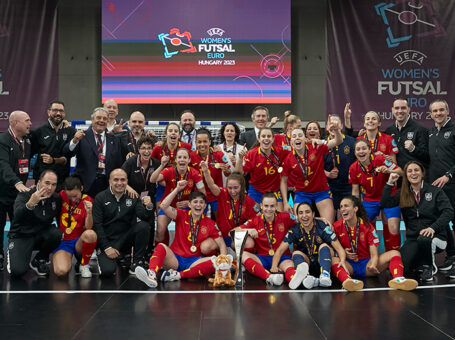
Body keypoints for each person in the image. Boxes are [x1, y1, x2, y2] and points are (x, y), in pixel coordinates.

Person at [134, 183, 227, 288]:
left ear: (205, 206)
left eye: (201, 202)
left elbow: (222, 245)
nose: (198, 205)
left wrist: (223, 266)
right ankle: (152, 275)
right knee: (161, 247)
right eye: (195, 202)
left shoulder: (210, 223)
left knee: (216, 261)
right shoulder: (181, 214)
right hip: (175, 259)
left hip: (194, 261)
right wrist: (177, 189)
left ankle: (177, 275)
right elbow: (163, 206)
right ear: (189, 205)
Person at [381, 162, 453, 281]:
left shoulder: (435, 191)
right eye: (409, 171)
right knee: (403, 267)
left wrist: (433, 228)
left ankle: (429, 267)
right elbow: (385, 203)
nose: (413, 173)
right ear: (406, 175)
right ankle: (420, 262)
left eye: (416, 170)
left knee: (424, 239)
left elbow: (449, 212)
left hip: (435, 236)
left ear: (422, 173)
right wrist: (389, 183)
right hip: (414, 238)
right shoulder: (403, 193)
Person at [331, 196, 418, 291]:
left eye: (346, 206)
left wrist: (373, 264)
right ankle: (347, 281)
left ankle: (398, 279)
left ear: (355, 208)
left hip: (367, 265)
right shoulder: (336, 226)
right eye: (341, 206)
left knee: (395, 253)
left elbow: (374, 253)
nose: (342, 209)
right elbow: (332, 248)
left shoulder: (368, 226)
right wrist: (343, 253)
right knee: (333, 259)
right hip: (348, 266)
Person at [271, 202, 350, 290]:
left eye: (307, 212)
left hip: (323, 262)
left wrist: (342, 260)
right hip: (307, 263)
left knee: (324, 246)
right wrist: (274, 266)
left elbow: (339, 248)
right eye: (301, 213)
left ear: (313, 214)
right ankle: (308, 278)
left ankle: (325, 275)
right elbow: (279, 251)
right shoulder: (294, 230)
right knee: (296, 253)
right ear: (297, 216)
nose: (304, 215)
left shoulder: (322, 226)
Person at [92, 169, 154, 276]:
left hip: (125, 240)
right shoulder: (100, 198)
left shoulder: (133, 197)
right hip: (108, 241)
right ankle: (103, 256)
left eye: (123, 180)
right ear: (110, 181)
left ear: (127, 181)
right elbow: (97, 225)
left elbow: (144, 217)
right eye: (116, 180)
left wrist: (149, 207)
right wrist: (107, 247)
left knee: (143, 226)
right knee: (108, 271)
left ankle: (137, 263)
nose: (119, 183)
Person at [281, 122, 342, 224]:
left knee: (328, 226)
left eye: (300, 135)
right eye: (294, 136)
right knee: (300, 224)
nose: (297, 138)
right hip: (302, 193)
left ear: (305, 139)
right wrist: (285, 202)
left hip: (321, 191)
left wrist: (336, 130)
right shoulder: (288, 159)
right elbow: (283, 181)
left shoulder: (316, 147)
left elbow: (338, 141)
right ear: (291, 142)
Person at [349, 139, 403, 251]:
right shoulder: (353, 168)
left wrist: (388, 170)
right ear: (355, 153)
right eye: (358, 149)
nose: (361, 151)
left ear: (370, 150)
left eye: (364, 148)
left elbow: (401, 171)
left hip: (389, 196)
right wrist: (355, 208)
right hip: (370, 200)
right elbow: (355, 190)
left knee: (393, 226)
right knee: (363, 227)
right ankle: (368, 256)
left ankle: (393, 256)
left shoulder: (380, 159)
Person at [7, 170, 61, 277]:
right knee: (18, 272)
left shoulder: (56, 198)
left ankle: (38, 260)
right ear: (39, 182)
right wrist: (30, 204)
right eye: (47, 183)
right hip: (21, 235)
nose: (50, 188)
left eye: (53, 184)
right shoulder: (25, 194)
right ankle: (13, 251)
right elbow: (17, 216)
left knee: (57, 234)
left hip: (40, 235)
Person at [237, 192, 296, 286]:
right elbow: (232, 232)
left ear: (276, 206)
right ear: (261, 206)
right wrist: (248, 230)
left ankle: (295, 280)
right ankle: (269, 277)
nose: (269, 209)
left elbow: (304, 221)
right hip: (262, 259)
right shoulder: (254, 221)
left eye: (272, 206)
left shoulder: (285, 217)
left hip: (282, 258)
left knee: (289, 265)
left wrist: (320, 220)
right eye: (266, 206)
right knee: (242, 255)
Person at [63, 107, 124, 198]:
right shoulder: (81, 136)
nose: (101, 121)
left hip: (107, 186)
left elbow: (118, 163)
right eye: (98, 118)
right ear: (92, 120)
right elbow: (67, 152)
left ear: (107, 121)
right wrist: (75, 140)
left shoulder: (114, 140)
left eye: (104, 119)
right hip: (85, 185)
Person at [150, 147, 205, 244]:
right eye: (179, 157)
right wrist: (162, 165)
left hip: (186, 207)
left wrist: (189, 202)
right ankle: (162, 252)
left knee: (187, 232)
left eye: (185, 157)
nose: (182, 160)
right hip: (168, 206)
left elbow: (203, 194)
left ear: (189, 160)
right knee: (160, 231)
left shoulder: (195, 173)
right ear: (175, 160)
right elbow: (152, 180)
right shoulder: (168, 171)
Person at [0, 110, 32, 270]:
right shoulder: (2, 140)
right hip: (2, 191)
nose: (30, 123)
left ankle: (16, 256)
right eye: (27, 120)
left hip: (18, 194)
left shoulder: (28, 140)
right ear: (14, 123)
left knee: (18, 225)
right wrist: (16, 182)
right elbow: (3, 165)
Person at [427, 99, 455, 273]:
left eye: (441, 110)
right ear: (430, 114)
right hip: (437, 188)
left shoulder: (453, 130)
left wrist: (448, 175)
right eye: (435, 111)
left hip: (453, 185)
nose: (438, 113)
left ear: (447, 111)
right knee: (443, 222)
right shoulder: (430, 133)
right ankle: (451, 257)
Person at [200, 168, 257, 252]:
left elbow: (256, 220)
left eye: (236, 188)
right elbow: (211, 185)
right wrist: (205, 171)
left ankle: (234, 252)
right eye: (230, 188)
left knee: (249, 243)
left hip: (235, 236)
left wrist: (244, 229)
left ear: (242, 186)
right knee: (205, 248)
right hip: (220, 237)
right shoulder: (223, 193)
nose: (233, 191)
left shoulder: (249, 201)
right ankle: (220, 254)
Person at [121, 136, 160, 254]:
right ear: (138, 149)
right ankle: (127, 253)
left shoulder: (156, 163)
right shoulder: (131, 162)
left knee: (150, 224)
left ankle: (148, 252)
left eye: (149, 148)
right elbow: (121, 178)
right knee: (130, 224)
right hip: (132, 198)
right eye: (143, 148)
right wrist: (129, 188)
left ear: (153, 149)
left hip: (149, 198)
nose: (146, 151)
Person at [53, 175, 97, 278]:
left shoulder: (88, 200)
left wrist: (89, 213)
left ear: (81, 188)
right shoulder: (61, 195)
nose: (73, 199)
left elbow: (89, 227)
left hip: (79, 242)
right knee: (61, 271)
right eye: (70, 197)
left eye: (75, 196)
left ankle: (84, 264)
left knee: (90, 234)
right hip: (63, 241)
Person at [236, 127, 287, 211]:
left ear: (273, 139)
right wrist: (240, 159)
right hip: (256, 190)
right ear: (259, 139)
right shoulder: (251, 154)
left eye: (269, 136)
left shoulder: (280, 150)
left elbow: (296, 148)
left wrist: (310, 141)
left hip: (274, 189)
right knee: (253, 216)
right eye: (263, 136)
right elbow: (239, 173)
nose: (266, 138)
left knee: (279, 216)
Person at [30, 100, 76, 190]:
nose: (58, 113)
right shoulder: (39, 132)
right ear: (48, 112)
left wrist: (53, 160)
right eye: (55, 110)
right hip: (43, 180)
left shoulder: (71, 131)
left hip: (62, 180)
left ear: (64, 113)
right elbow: (30, 153)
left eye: (61, 111)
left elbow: (71, 154)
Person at [190, 128, 230, 218]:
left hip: (216, 194)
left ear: (209, 142)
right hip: (199, 195)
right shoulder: (191, 156)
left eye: (205, 141)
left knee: (219, 221)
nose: (202, 144)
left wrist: (226, 171)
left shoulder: (218, 154)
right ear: (195, 143)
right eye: (199, 142)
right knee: (199, 222)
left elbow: (228, 173)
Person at [324, 114, 356, 216]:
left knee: (346, 219)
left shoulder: (351, 141)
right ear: (326, 127)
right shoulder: (322, 143)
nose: (333, 126)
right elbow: (315, 166)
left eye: (336, 123)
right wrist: (327, 173)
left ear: (341, 126)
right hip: (329, 187)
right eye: (330, 124)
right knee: (330, 221)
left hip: (348, 187)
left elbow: (358, 162)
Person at [384, 98, 429, 170]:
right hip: (396, 176)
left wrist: (413, 149)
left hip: (413, 176)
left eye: (403, 108)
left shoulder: (420, 129)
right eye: (396, 108)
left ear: (408, 109)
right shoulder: (389, 130)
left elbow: (427, 157)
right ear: (392, 110)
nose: (400, 111)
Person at [217, 122, 243, 186]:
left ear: (236, 133)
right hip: (222, 183)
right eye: (227, 131)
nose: (229, 133)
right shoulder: (217, 148)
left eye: (232, 131)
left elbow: (244, 171)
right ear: (223, 133)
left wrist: (235, 164)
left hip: (237, 184)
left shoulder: (242, 149)